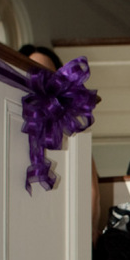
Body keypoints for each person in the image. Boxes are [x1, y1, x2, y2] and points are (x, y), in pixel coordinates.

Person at [20, 43, 101, 244]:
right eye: (33, 71)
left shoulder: (72, 123)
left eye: (47, 73)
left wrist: (86, 231)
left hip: (63, 227)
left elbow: (91, 189)